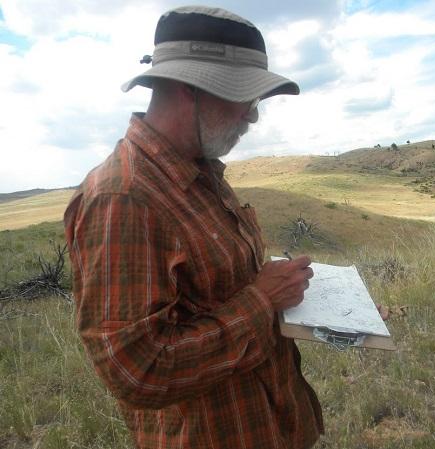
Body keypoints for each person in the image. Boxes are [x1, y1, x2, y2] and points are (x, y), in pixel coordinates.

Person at [64, 6, 323, 449]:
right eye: (245, 97)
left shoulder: (198, 172)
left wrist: (268, 288)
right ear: (189, 88)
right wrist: (262, 300)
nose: (253, 117)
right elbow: (137, 371)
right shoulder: (123, 197)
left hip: (263, 425)